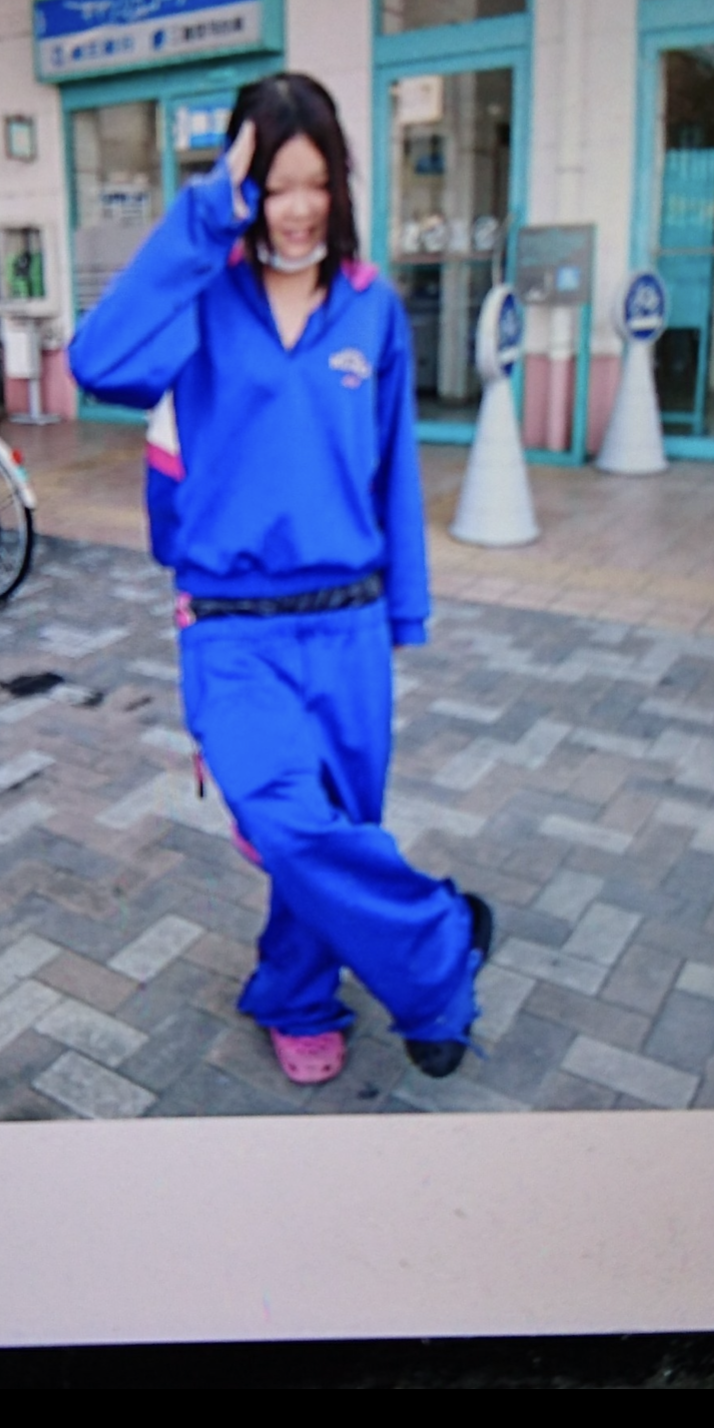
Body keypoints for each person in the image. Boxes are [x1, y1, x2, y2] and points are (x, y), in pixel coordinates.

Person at [68, 73, 492, 1087]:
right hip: (230, 625)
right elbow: (96, 360)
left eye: (316, 184)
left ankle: (298, 998)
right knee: (286, 823)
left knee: (337, 831)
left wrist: (404, 611)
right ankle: (439, 947)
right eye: (274, 185)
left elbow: (392, 468)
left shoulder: (371, 306)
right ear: (242, 185)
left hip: (347, 625)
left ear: (339, 185)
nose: (297, 208)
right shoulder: (203, 298)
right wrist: (204, 216)